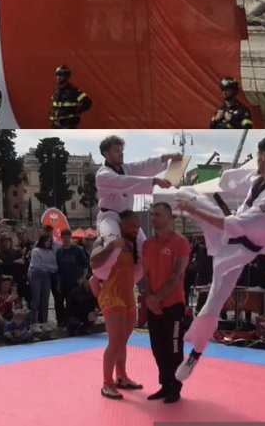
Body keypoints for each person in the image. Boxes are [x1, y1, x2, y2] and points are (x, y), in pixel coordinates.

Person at [170, 136, 265, 384]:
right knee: (185, 192)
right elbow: (237, 178)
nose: (256, 162)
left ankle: (195, 354)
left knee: (213, 304)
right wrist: (223, 179)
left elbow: (231, 226)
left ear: (264, 157)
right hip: (230, 234)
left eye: (258, 157)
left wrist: (194, 212)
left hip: (239, 250)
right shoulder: (259, 178)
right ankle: (195, 350)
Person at [89, 137, 173, 288]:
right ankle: (101, 278)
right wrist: (153, 181)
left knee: (145, 253)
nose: (121, 153)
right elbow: (124, 183)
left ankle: (126, 284)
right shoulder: (103, 175)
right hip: (110, 217)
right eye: (116, 150)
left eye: (122, 150)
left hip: (128, 218)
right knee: (114, 245)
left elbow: (143, 166)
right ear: (106, 154)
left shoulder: (126, 169)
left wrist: (166, 158)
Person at [141, 201, 189, 404]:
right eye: (152, 214)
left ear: (170, 218)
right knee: (158, 348)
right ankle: (165, 384)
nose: (153, 218)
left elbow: (176, 275)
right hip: (154, 305)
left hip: (173, 306)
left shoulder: (180, 242)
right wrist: (149, 298)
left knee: (174, 349)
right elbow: (145, 274)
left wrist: (157, 298)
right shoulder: (147, 244)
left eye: (158, 214)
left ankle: (175, 387)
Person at [94, 210, 143, 400]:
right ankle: (107, 383)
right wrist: (111, 246)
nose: (136, 230)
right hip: (112, 297)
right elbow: (93, 263)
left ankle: (121, 376)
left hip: (128, 296)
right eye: (132, 226)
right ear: (120, 224)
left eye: (138, 227)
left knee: (122, 341)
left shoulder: (133, 245)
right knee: (114, 342)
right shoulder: (104, 240)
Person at [27, 233, 57, 328]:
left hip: (46, 276)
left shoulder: (50, 252)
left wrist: (46, 267)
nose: (48, 243)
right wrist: (48, 267)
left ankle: (44, 321)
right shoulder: (36, 251)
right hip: (36, 275)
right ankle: (33, 323)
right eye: (46, 241)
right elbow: (36, 265)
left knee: (45, 299)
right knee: (36, 299)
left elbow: (55, 267)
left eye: (49, 241)